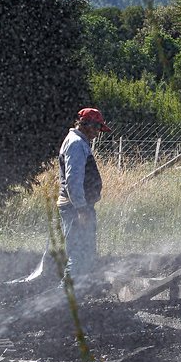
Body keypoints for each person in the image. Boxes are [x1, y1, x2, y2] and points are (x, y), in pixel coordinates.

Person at [57, 107, 111, 285]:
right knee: (79, 257)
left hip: (79, 207)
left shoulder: (79, 142)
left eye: (99, 129)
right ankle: (64, 300)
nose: (97, 133)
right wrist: (81, 208)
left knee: (84, 255)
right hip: (76, 208)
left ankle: (77, 298)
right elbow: (73, 179)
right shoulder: (76, 144)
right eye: (96, 128)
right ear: (85, 124)